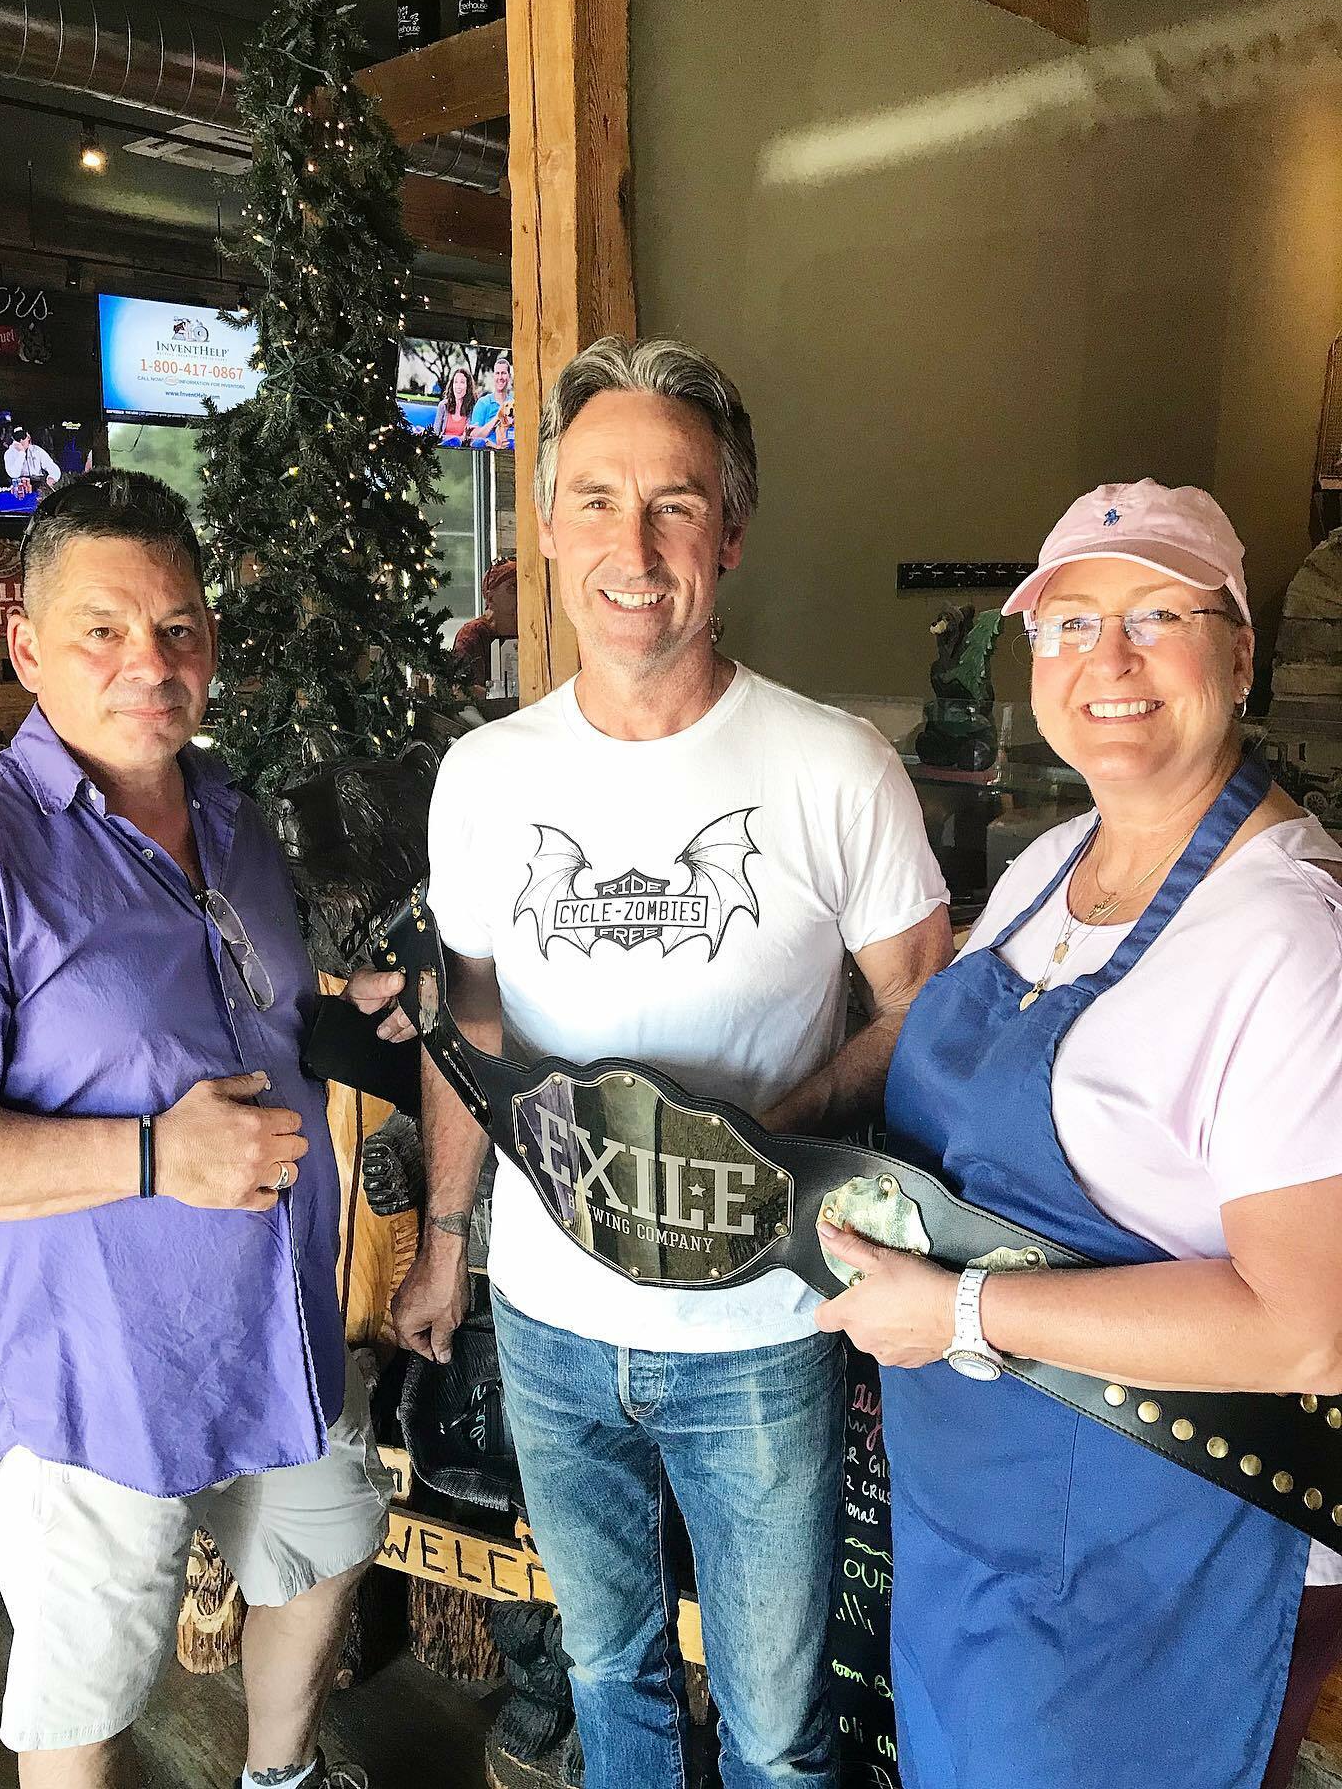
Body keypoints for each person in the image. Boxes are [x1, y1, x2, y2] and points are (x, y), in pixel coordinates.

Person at [385, 335, 953, 1788]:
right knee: (605, 1672)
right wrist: (448, 1243)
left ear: (732, 533)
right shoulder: (486, 777)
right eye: (595, 500)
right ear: (546, 529)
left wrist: (774, 1126)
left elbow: (925, 1006)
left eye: (675, 506)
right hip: (547, 1317)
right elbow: (472, 1020)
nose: (631, 548)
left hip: (761, 1326)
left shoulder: (835, 767)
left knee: (776, 1730)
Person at [818, 479, 1342, 1789]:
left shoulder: (1290, 938)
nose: (1108, 659)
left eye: (1158, 615)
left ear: (1240, 653)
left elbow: (1306, 1327)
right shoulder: (1047, 865)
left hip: (1153, 1560)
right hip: (972, 1521)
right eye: (1069, 623)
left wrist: (961, 1314)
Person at [0, 470, 405, 1789]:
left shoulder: (230, 817)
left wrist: (346, 1011)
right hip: (90, 1372)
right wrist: (150, 1154)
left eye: (177, 627)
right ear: (27, 649)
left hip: (275, 1324)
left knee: (324, 1548)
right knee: (91, 1690)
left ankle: (281, 1775)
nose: (150, 662)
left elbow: (245, 1012)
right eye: (104, 631)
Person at [451, 554, 519, 692]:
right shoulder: (472, 635)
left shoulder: (532, 631)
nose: (521, 594)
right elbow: (462, 689)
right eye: (513, 587)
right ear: (490, 596)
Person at [467, 353, 515, 450]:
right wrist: (497, 418)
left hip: (510, 450)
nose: (500, 377)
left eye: (503, 373)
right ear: (494, 376)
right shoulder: (483, 403)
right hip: (488, 451)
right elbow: (474, 437)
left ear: (509, 376)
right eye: (497, 373)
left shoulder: (514, 404)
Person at [2, 424, 61, 496]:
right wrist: (21, 453)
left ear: (28, 437)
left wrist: (52, 477)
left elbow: (51, 465)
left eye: (23, 437)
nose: (21, 440)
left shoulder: (37, 450)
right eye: (18, 438)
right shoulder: (9, 453)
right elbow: (14, 474)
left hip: (38, 484)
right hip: (20, 487)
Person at [431, 365, 475, 445]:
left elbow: (468, 437)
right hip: (442, 446)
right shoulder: (443, 405)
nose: (458, 386)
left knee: (456, 441)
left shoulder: (472, 408)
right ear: (452, 385)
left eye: (462, 382)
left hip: (460, 448)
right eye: (456, 382)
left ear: (468, 386)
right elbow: (435, 433)